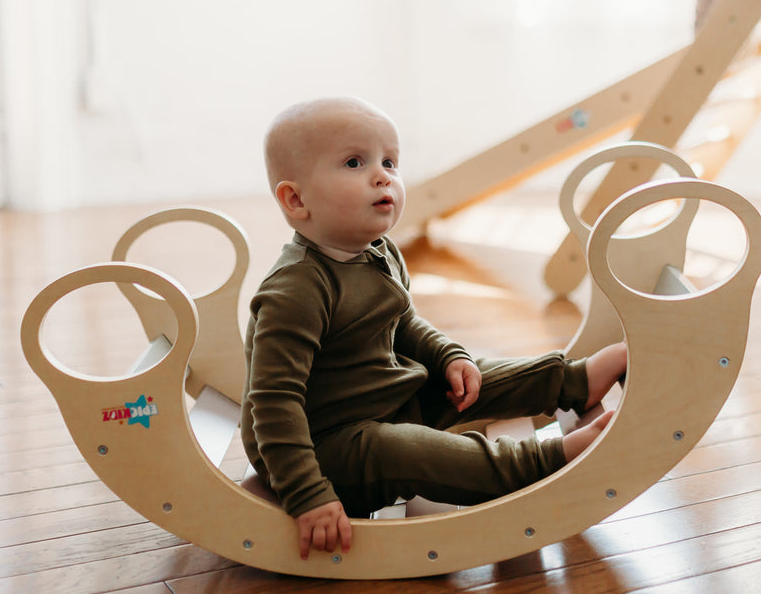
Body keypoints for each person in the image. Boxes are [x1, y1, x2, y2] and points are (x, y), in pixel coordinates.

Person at [240, 97, 628, 560]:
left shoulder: (379, 251)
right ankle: (545, 461)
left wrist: (447, 356)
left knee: (470, 376)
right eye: (354, 162)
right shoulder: (296, 289)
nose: (383, 175)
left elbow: (403, 321)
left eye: (389, 161)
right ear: (296, 199)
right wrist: (307, 493)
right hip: (328, 446)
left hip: (384, 397)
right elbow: (273, 402)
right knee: (407, 450)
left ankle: (574, 381)